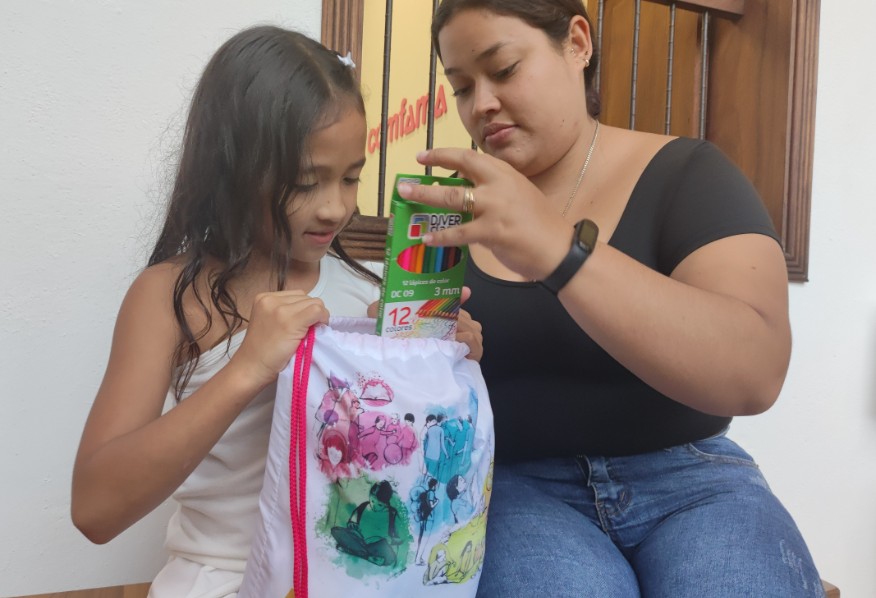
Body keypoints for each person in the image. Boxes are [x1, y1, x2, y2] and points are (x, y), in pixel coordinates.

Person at [394, 1, 824, 596]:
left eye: (505, 69)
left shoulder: (688, 174)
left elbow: (755, 373)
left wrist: (561, 252)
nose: (481, 104)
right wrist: (409, 352)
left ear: (577, 43)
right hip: (518, 488)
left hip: (693, 479)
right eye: (462, 87)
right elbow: (417, 408)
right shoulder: (447, 215)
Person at [70, 25, 482, 597]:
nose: (336, 207)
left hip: (352, 581)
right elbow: (95, 509)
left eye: (351, 177)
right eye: (305, 183)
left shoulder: (369, 291)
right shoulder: (171, 298)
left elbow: (402, 458)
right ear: (233, 167)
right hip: (219, 581)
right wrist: (247, 368)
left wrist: (438, 360)